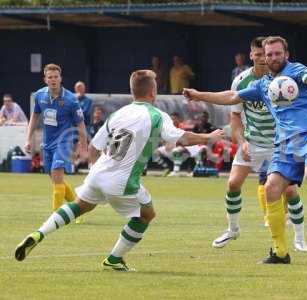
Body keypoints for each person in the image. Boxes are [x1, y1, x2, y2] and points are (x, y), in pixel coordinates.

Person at [15, 69, 224, 271]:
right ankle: (114, 259)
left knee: (80, 206)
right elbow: (183, 138)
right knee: (146, 214)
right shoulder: (157, 115)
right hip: (122, 180)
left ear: (133, 92)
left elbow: (94, 147)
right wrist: (209, 137)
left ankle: (39, 233)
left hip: (99, 172)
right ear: (153, 92)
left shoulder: (118, 113)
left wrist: (94, 171)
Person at [184, 36, 307, 264]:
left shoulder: (296, 70)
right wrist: (198, 95)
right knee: (271, 188)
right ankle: (280, 252)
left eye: (277, 53)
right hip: (283, 142)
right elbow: (232, 97)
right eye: (269, 54)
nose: (273, 57)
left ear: (286, 54)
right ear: (264, 57)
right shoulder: (261, 85)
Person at [211, 37, 307, 252]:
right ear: (252, 56)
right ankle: (233, 229)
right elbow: (235, 118)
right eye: (258, 55)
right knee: (233, 183)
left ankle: (300, 238)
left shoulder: (284, 80)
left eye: (266, 55)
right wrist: (242, 141)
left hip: (280, 143)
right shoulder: (241, 82)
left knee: (290, 191)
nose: (263, 59)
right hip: (253, 142)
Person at [24, 64, 87, 212]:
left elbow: (81, 124)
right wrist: (28, 139)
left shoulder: (71, 99)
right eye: (50, 77)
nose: (53, 80)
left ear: (61, 78)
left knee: (57, 175)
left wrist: (82, 147)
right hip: (47, 143)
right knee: (55, 179)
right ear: (45, 79)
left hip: (64, 143)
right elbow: (34, 117)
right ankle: (77, 210)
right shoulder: (40, 95)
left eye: (56, 77)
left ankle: (55, 217)